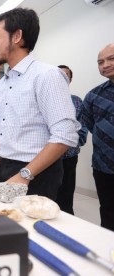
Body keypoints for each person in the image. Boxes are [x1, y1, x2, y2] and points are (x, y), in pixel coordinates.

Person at [0, 8, 80, 200]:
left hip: (37, 172)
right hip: (6, 167)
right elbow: (4, 128)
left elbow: (65, 135)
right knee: (8, 226)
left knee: (30, 228)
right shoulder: (3, 83)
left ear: (17, 36)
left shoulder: (47, 76)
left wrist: (25, 175)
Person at [79, 43, 114, 231]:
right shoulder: (93, 95)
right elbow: (90, 124)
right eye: (100, 62)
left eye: (111, 59)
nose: (105, 65)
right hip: (104, 166)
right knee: (108, 211)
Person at [55, 65, 88, 215]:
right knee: (48, 194)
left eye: (66, 75)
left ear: (70, 79)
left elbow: (83, 126)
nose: (62, 77)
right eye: (58, 74)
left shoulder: (76, 101)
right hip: (47, 158)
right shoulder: (42, 100)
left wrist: (72, 145)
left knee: (66, 194)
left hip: (69, 156)